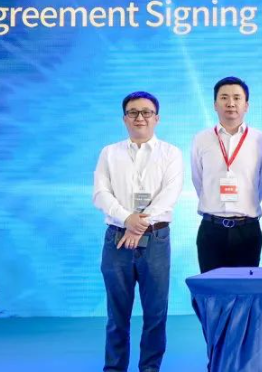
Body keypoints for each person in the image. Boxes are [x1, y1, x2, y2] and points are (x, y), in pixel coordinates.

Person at [93, 91, 183, 372]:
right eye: (133, 112)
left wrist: (139, 224)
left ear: (157, 118)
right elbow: (100, 194)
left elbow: (169, 195)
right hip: (117, 239)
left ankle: (150, 369)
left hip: (156, 239)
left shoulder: (171, 153)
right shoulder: (109, 153)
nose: (140, 117)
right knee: (116, 315)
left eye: (146, 112)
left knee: (155, 313)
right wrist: (127, 219)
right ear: (124, 119)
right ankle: (114, 368)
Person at [191, 76, 262, 273]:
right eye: (224, 97)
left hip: (247, 229)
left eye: (237, 98)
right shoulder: (201, 139)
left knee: (245, 289)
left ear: (246, 105)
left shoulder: (261, 140)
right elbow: (198, 179)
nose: (231, 103)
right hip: (211, 229)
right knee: (211, 289)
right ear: (215, 104)